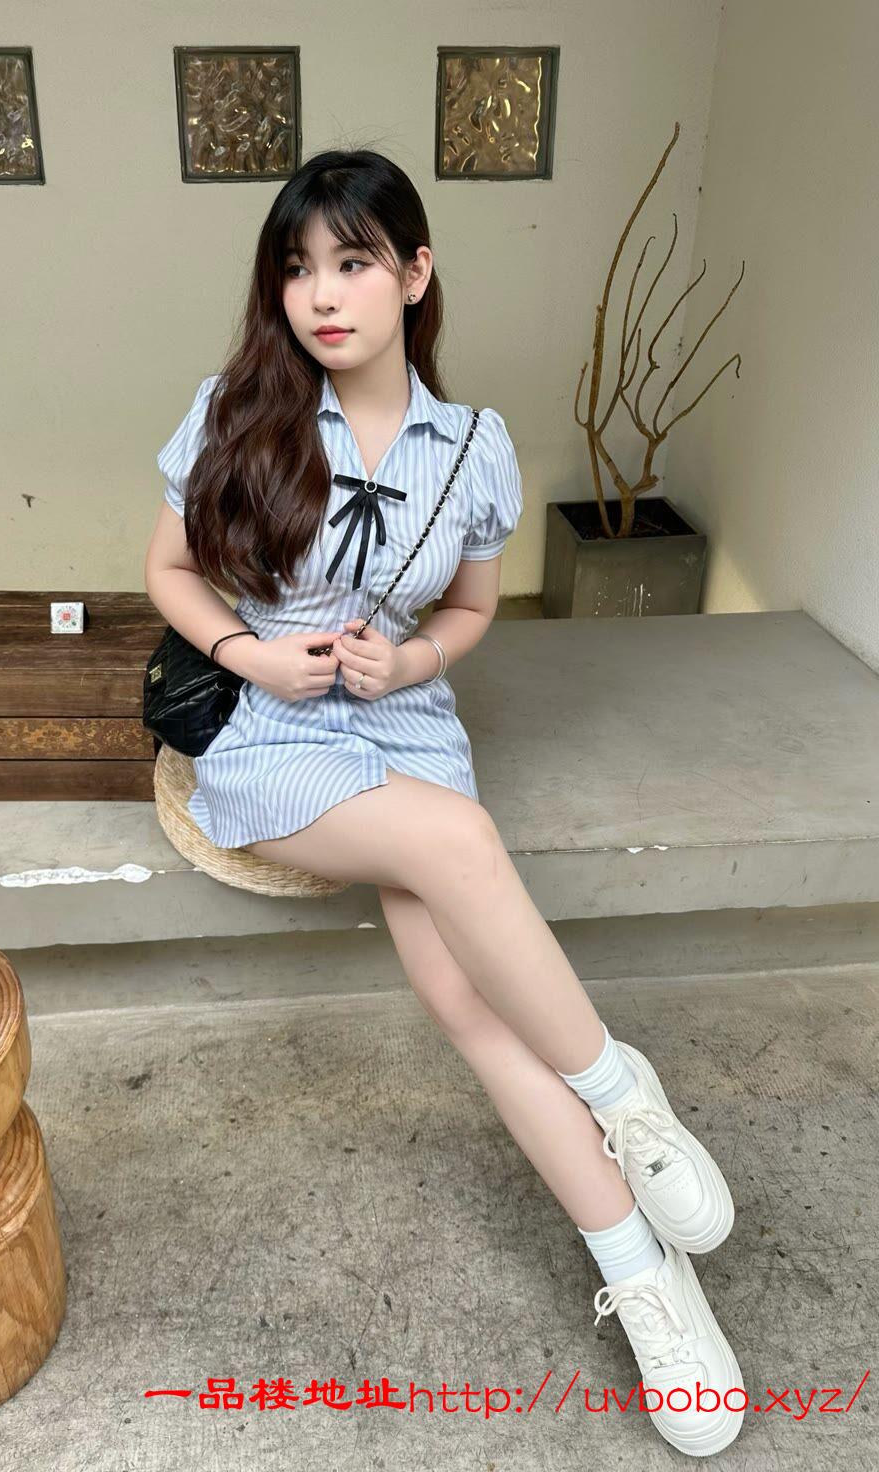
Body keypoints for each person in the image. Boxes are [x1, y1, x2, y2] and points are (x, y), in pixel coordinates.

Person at [144, 148, 743, 1457]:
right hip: (273, 730)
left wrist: (411, 663)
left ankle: (646, 1281)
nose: (322, 295)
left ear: (415, 275)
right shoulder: (236, 412)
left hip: (404, 717)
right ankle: (627, 1097)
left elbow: (469, 609)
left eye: (353, 262)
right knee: (459, 838)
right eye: (298, 269)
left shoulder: (474, 448)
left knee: (471, 1007)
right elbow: (169, 572)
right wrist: (251, 655)